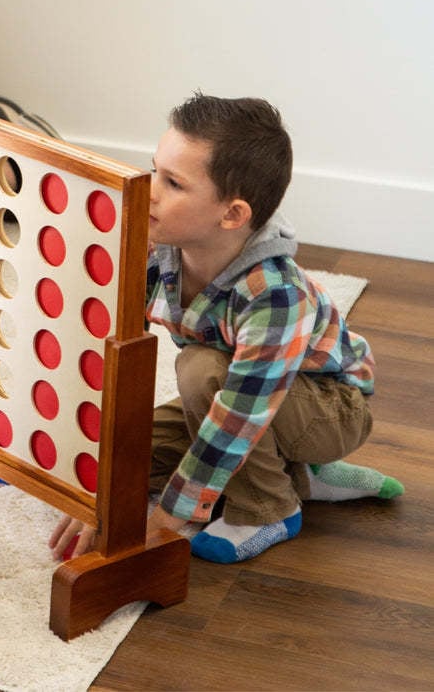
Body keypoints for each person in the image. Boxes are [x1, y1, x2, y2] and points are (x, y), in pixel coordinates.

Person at [50, 92, 403, 564]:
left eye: (173, 183)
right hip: (240, 387)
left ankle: (269, 509)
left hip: (327, 407)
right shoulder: (158, 250)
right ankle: (301, 475)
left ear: (232, 214)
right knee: (127, 456)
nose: (149, 190)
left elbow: (238, 416)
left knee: (200, 370)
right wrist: (90, 471)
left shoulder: (275, 294)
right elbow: (109, 345)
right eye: (154, 170)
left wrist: (168, 518)